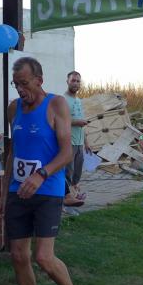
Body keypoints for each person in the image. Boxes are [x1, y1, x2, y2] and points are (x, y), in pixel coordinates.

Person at [0, 56, 92, 285]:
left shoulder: (56, 105)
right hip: (18, 190)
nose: (20, 89)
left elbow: (66, 153)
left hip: (48, 189)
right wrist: (3, 193)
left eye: (24, 83)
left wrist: (41, 175)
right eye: (16, 84)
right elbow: (13, 153)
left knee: (43, 257)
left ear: (39, 80)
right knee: (18, 255)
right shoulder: (14, 108)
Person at [64, 70, 90, 199]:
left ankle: (74, 195)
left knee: (77, 174)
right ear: (67, 82)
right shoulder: (63, 100)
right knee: (67, 173)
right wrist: (77, 122)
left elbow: (81, 124)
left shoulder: (79, 101)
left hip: (79, 144)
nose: (75, 83)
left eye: (78, 81)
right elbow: (60, 120)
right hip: (68, 143)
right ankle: (66, 199)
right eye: (73, 80)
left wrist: (86, 143)